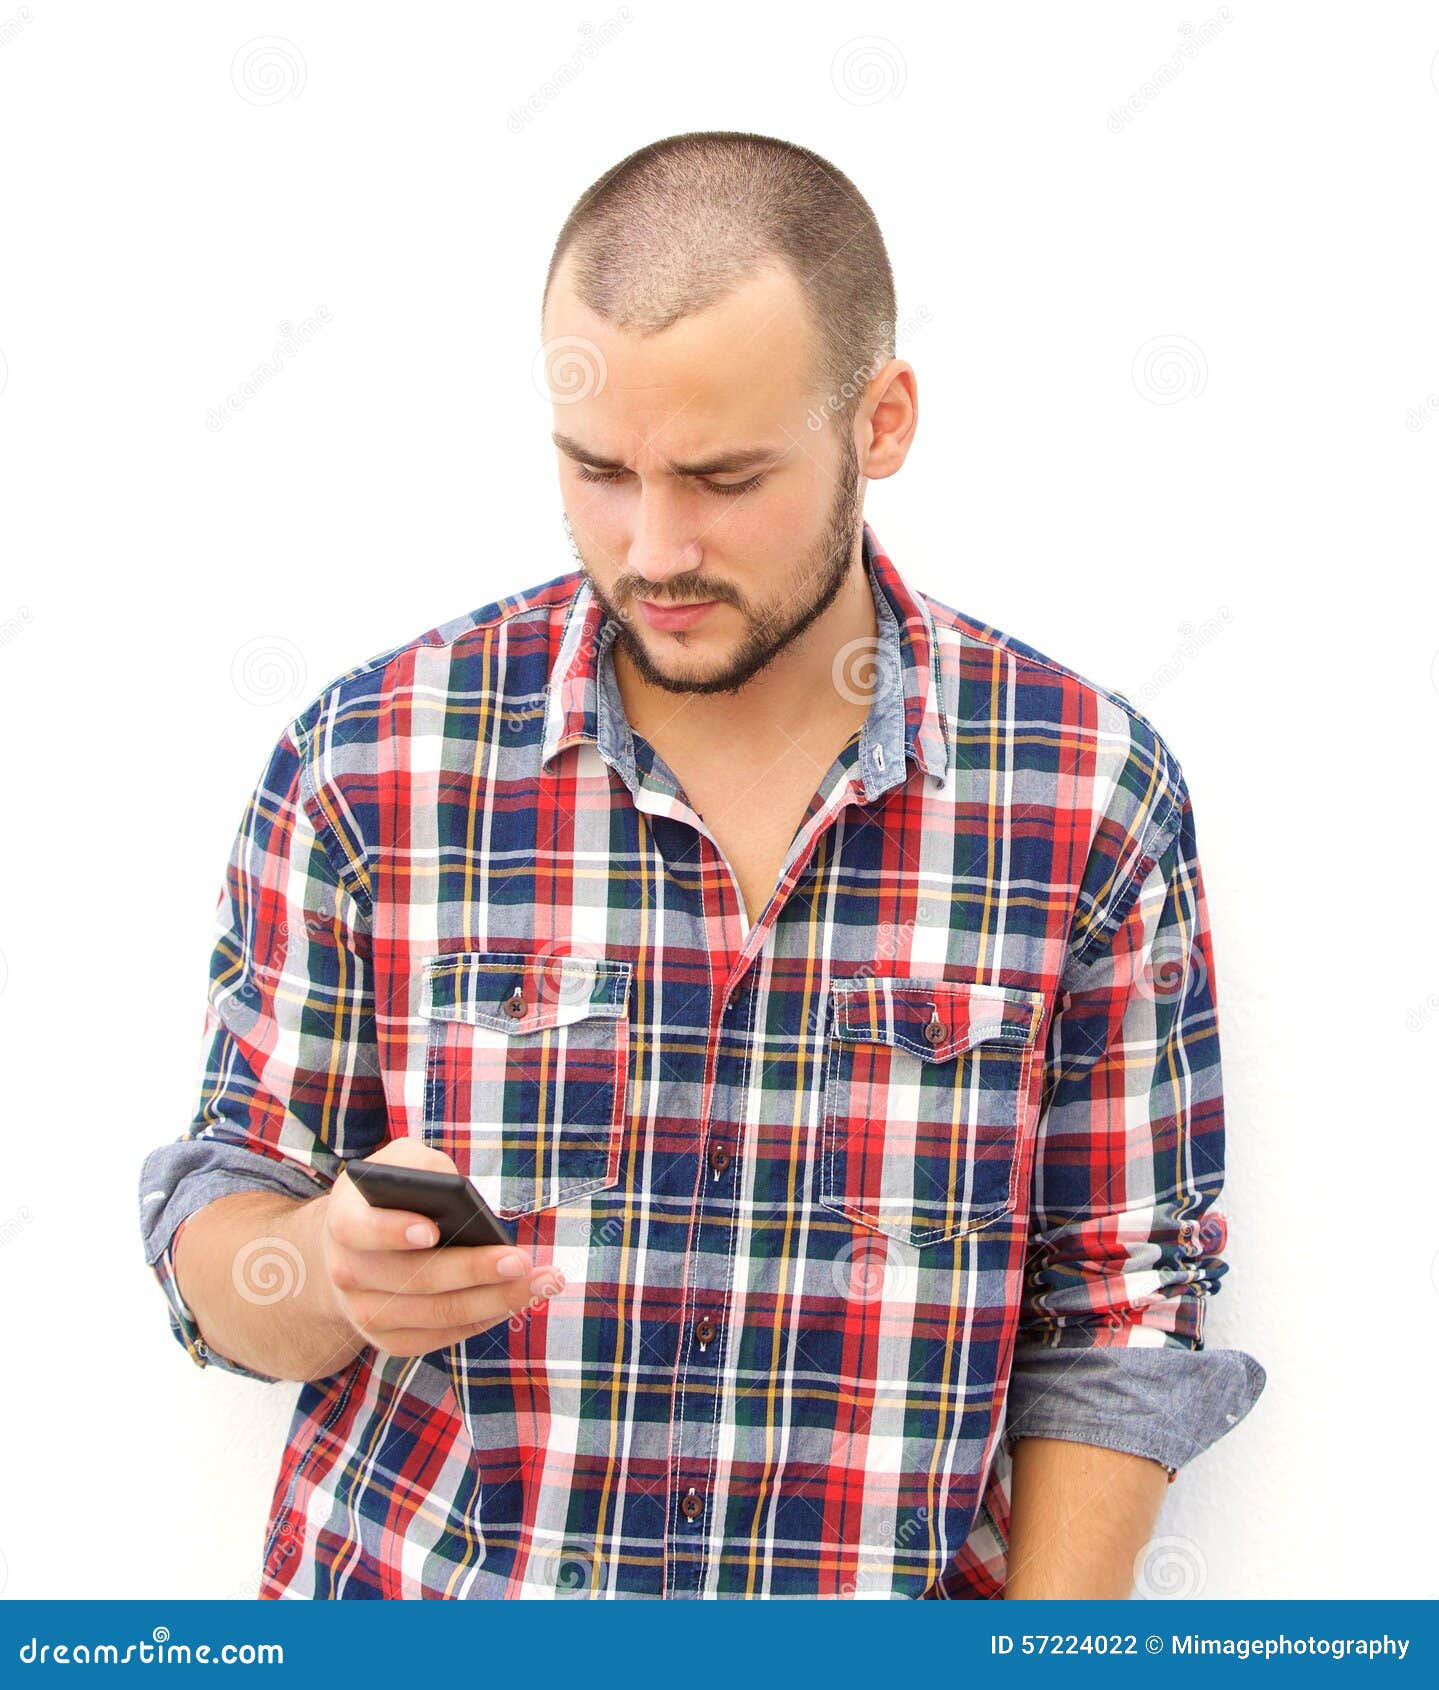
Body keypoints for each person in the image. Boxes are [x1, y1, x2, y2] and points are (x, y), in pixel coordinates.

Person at [137, 130, 1265, 1600]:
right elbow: (221, 1226)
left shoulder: (1088, 795)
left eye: (726, 477)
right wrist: (322, 1267)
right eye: (599, 470)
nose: (654, 547)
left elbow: (1119, 1306)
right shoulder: (370, 762)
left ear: (884, 420)